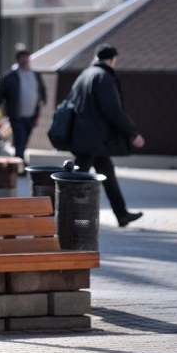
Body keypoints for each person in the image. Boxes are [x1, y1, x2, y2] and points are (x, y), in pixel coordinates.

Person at [69, 43, 145, 227]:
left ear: (96, 57)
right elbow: (113, 110)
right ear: (111, 60)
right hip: (94, 138)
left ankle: (121, 214)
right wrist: (132, 133)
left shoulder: (85, 75)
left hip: (86, 137)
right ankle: (61, 214)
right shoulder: (103, 77)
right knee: (75, 181)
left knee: (107, 174)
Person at [0, 49, 46, 163]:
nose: (25, 60)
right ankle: (20, 162)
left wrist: (42, 102)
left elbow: (42, 91)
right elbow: (0, 94)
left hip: (31, 115)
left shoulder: (35, 75)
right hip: (16, 115)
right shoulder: (11, 76)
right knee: (20, 139)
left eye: (27, 58)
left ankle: (17, 160)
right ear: (18, 60)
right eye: (22, 58)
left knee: (24, 139)